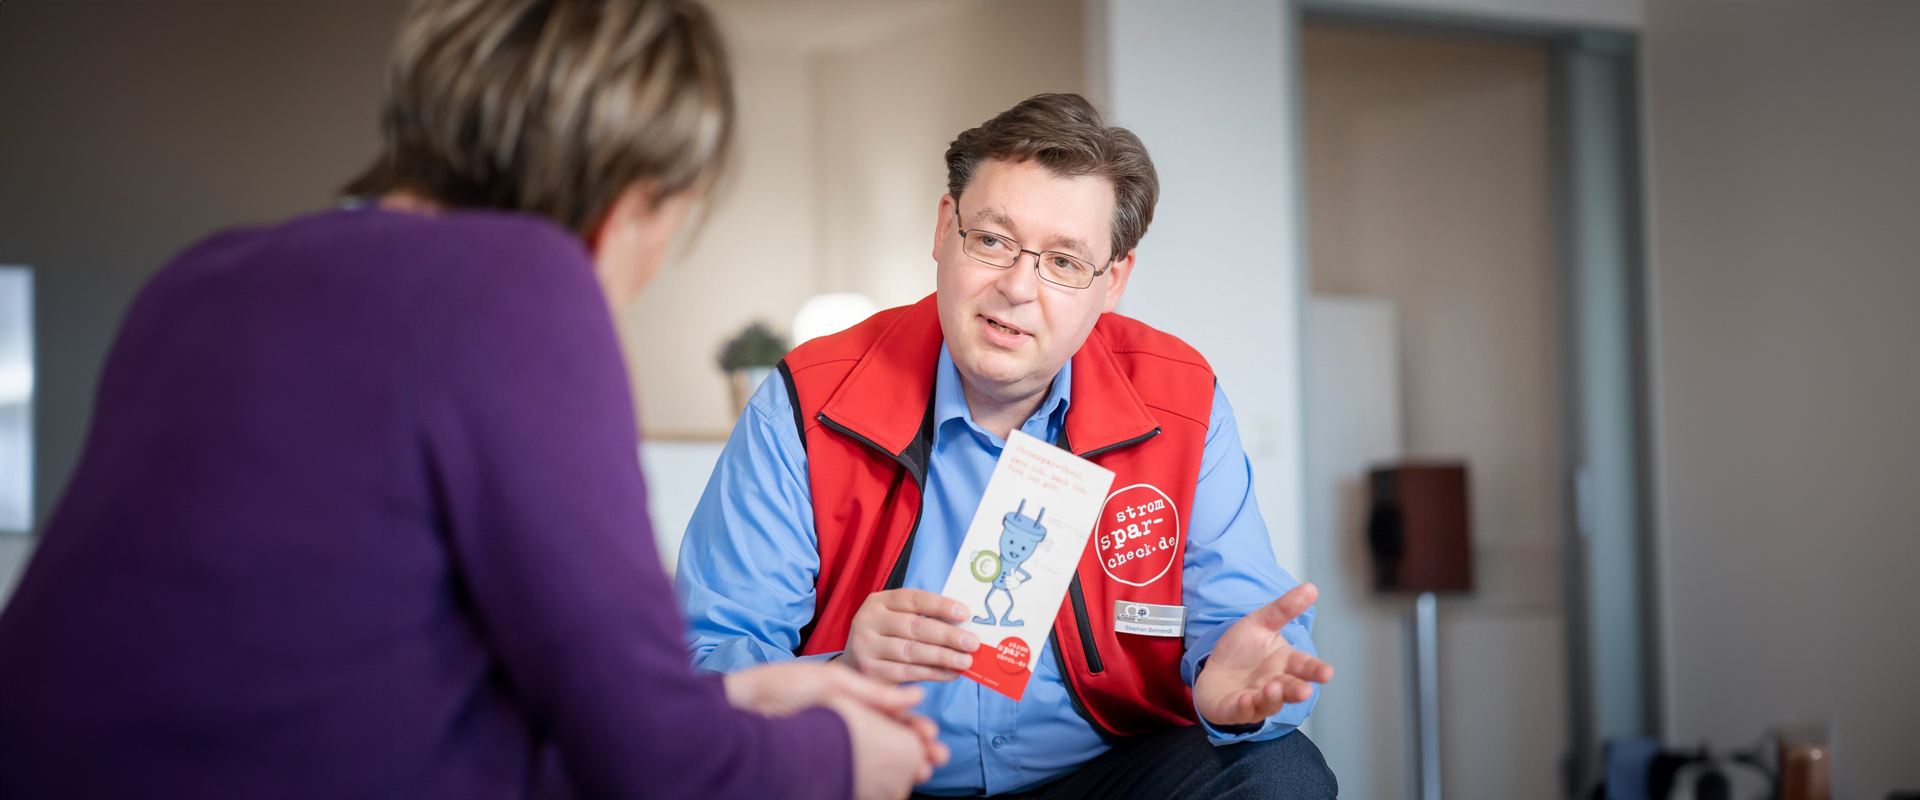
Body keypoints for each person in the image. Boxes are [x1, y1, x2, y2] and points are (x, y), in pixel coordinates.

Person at [0, 1, 942, 798]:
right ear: (628, 196)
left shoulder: (202, 276)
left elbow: (351, 681)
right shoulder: (522, 284)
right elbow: (663, 769)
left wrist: (740, 699)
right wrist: (850, 756)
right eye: (674, 218)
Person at [675, 93, 1340, 799]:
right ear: (943, 228)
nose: (1017, 288)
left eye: (1063, 262)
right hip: (877, 773)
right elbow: (707, 665)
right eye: (991, 240)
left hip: (1099, 773)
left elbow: (1244, 629)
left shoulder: (1181, 402)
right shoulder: (807, 401)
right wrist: (839, 676)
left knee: (1279, 776)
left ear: (1112, 281)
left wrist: (1232, 686)